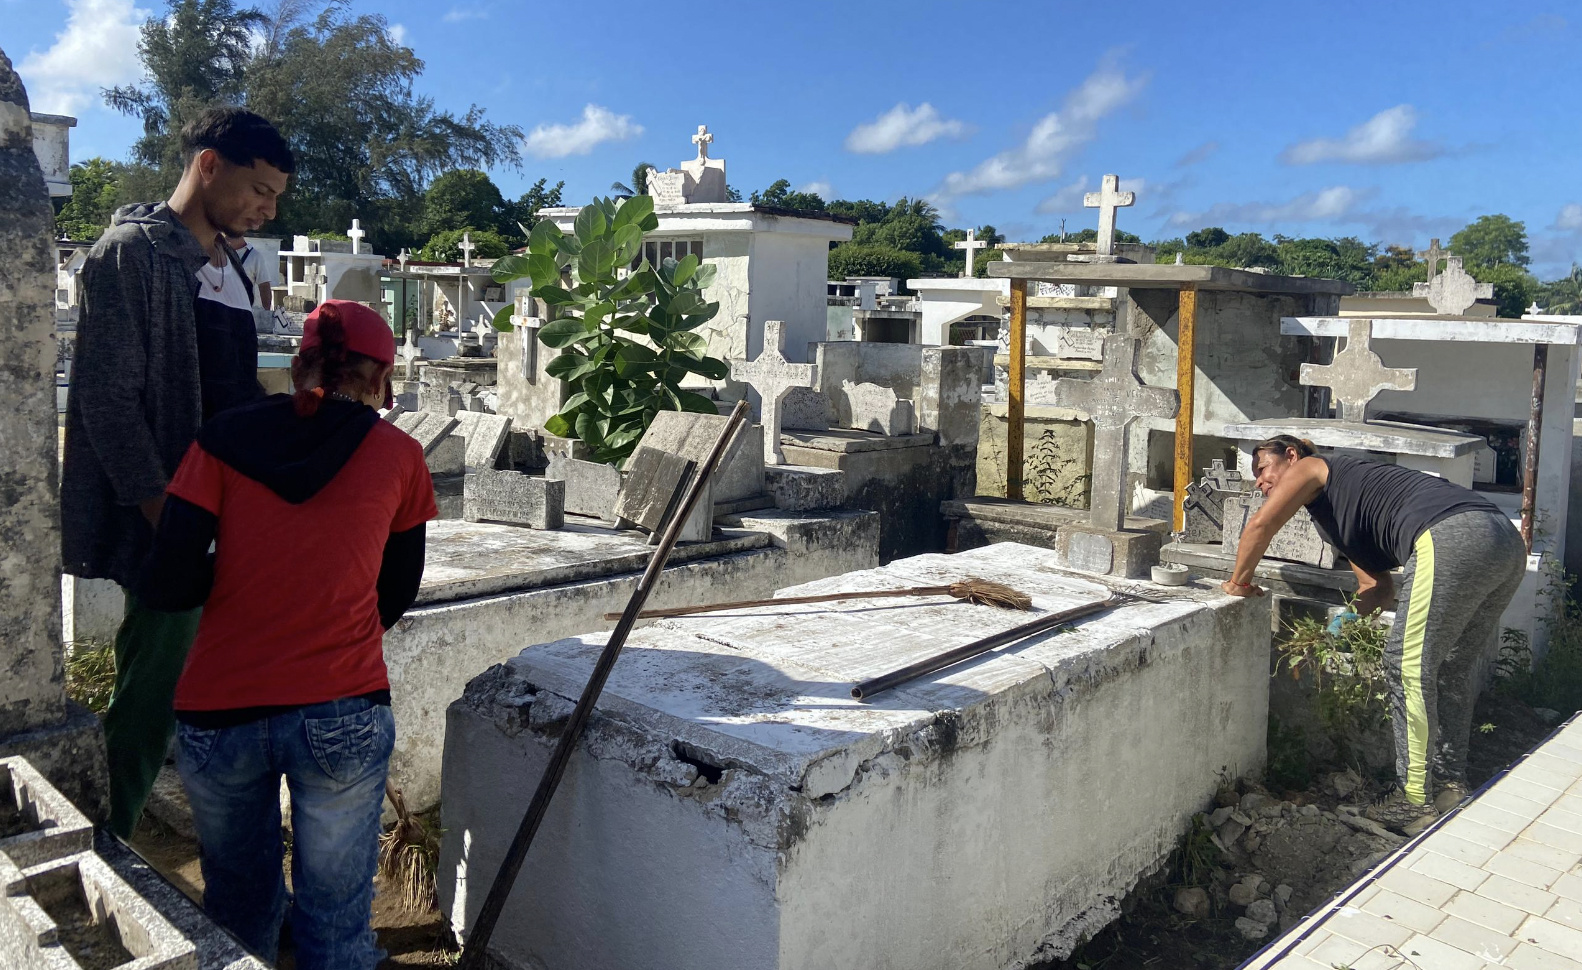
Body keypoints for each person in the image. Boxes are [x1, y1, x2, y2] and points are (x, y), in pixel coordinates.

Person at [138, 301, 436, 969]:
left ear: (300, 363)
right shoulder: (399, 455)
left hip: (221, 710)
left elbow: (167, 582)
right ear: (380, 377)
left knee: (238, 915)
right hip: (342, 704)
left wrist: (247, 574)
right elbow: (396, 591)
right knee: (335, 926)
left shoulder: (222, 438)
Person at [61, 106, 294, 838]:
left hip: (236, 514)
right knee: (151, 691)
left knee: (225, 695)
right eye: (260, 189)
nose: (267, 207)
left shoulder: (227, 264)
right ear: (208, 165)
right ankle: (111, 843)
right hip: (177, 520)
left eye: (277, 197)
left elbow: (232, 389)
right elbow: (107, 401)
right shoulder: (128, 254)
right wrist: (170, 516)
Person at [1222, 435, 1526, 834]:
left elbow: (1261, 525)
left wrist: (1238, 583)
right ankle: (1449, 785)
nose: (1259, 484)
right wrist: (1333, 630)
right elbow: (1377, 589)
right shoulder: (1335, 513)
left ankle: (1413, 801)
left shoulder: (1314, 467)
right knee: (1450, 667)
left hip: (1453, 536)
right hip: (1504, 539)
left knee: (1405, 666)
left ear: (1292, 456)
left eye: (1262, 470)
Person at [226, 231, 277, 333]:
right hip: (222, 310)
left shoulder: (255, 256)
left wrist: (266, 313)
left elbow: (264, 286)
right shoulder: (219, 253)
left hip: (244, 311)